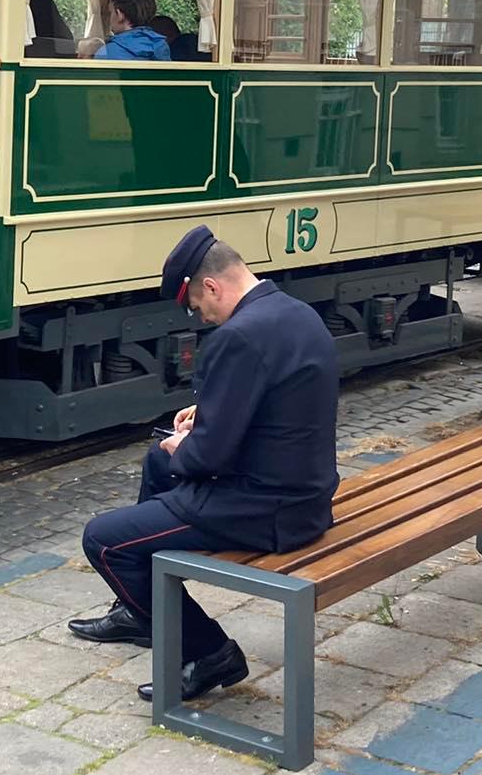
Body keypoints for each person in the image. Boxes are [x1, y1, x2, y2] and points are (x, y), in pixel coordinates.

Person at [69, 228, 340, 704]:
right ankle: (140, 612)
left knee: (105, 540)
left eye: (196, 305)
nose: (201, 316)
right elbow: (280, 407)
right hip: (306, 494)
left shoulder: (237, 336)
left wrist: (186, 446)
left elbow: (209, 457)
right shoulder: (296, 314)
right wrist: (206, 419)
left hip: (263, 509)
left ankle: (210, 651)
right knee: (157, 459)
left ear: (212, 286)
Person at [93, 0, 171, 61]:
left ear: (120, 15)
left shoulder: (107, 52)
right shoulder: (161, 46)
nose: (109, 18)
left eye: (110, 13)